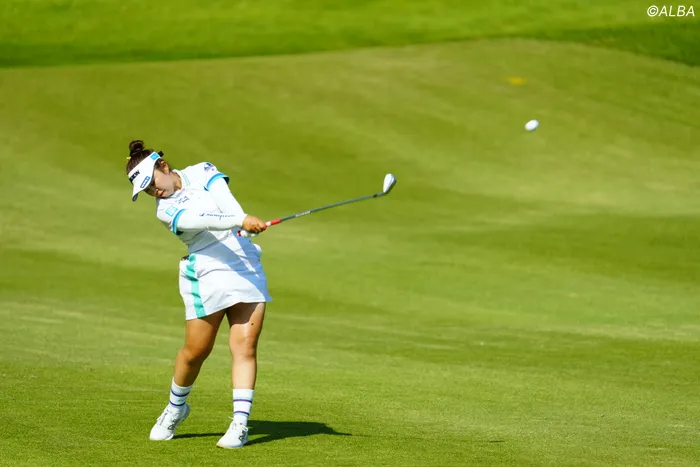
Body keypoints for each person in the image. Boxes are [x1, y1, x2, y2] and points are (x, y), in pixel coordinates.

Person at [125, 140, 271, 449]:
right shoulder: (166, 212)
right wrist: (240, 221)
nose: (154, 192)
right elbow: (205, 220)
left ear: (164, 167)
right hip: (206, 271)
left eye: (152, 183)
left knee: (245, 347)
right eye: (147, 190)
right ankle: (175, 407)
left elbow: (228, 203)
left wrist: (243, 222)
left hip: (244, 264)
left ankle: (240, 424)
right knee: (196, 352)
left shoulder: (203, 171)